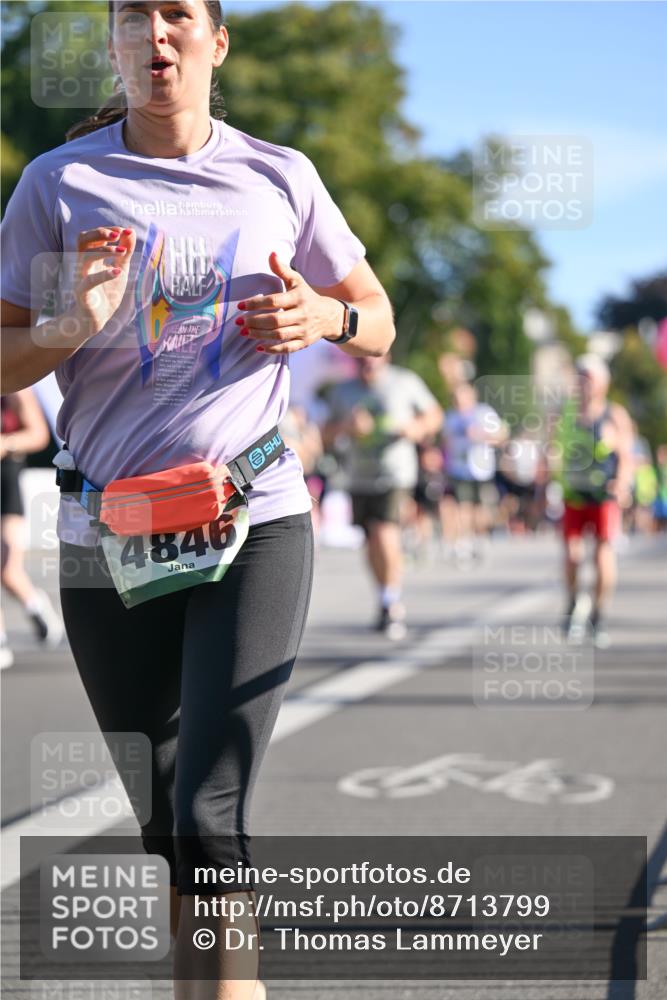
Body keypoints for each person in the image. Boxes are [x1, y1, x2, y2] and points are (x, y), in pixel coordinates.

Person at [0, 2, 395, 996]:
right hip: (106, 530)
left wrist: (324, 315)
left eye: (178, 15)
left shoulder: (280, 176)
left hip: (250, 516)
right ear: (117, 47)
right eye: (135, 17)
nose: (156, 35)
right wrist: (66, 325)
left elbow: (379, 323)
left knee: (212, 812)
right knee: (166, 816)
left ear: (216, 43)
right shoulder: (57, 184)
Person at [323, 355, 442, 638]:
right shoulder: (343, 391)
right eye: (361, 359)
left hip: (396, 474)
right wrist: (347, 428)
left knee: (384, 532)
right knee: (371, 541)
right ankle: (384, 596)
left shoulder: (404, 381)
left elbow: (435, 415)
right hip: (358, 476)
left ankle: (393, 603)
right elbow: (324, 433)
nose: (367, 364)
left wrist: (416, 428)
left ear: (384, 356)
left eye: (372, 358)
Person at [553, 354, 634, 648]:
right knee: (572, 556)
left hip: (602, 496)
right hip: (573, 494)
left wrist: (622, 483)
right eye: (580, 376)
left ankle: (599, 614)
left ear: (602, 383)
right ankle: (574, 601)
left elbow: (626, 455)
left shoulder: (613, 414)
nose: (583, 383)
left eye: (589, 377)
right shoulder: (565, 413)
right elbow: (553, 447)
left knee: (602, 556)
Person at [1, 390, 65, 669]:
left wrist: (7, 442)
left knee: (6, 568)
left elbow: (38, 434)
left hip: (5, 482)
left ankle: (35, 605)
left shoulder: (14, 384)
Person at [442, 381, 507, 565]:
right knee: (461, 507)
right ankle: (464, 542)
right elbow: (445, 441)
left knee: (480, 509)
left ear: (471, 395)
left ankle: (481, 539)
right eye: (455, 397)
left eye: (462, 396)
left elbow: (501, 435)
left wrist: (481, 435)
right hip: (458, 469)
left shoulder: (483, 413)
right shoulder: (451, 417)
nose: (459, 401)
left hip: (481, 469)